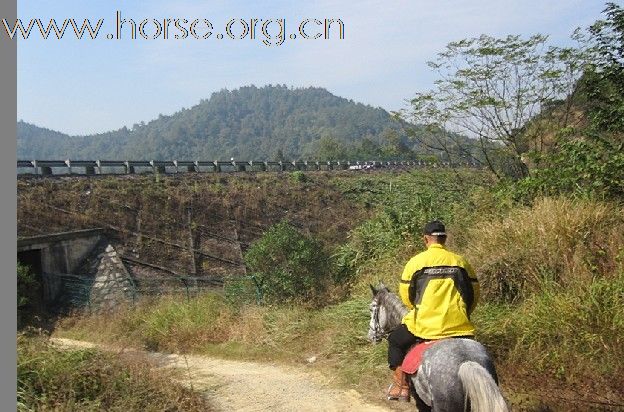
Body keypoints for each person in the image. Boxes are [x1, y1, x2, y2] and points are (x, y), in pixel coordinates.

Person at [386, 220, 480, 402]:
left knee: (395, 341)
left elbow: (406, 296)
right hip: (460, 326)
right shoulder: (461, 261)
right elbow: (474, 294)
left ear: (425, 239)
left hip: (426, 326)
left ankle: (402, 387)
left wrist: (419, 310)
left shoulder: (416, 262)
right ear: (444, 239)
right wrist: (464, 314)